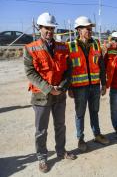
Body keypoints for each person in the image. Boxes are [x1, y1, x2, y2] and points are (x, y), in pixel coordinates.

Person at [24, 12, 76, 173]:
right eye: (47, 28)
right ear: (40, 28)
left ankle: (61, 151)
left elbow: (69, 70)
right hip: (41, 96)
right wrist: (49, 89)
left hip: (59, 94)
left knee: (60, 125)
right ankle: (42, 157)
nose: (50, 31)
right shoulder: (30, 48)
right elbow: (30, 73)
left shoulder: (62, 46)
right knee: (41, 130)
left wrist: (61, 87)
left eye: (52, 28)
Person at [68, 16, 109, 152]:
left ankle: (97, 135)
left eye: (91, 28)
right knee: (80, 114)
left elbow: (101, 66)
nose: (90, 30)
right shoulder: (71, 46)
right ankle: (80, 139)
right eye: (87, 28)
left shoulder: (96, 44)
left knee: (94, 111)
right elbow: (68, 69)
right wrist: (69, 87)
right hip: (79, 87)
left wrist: (104, 83)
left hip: (94, 86)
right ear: (79, 30)